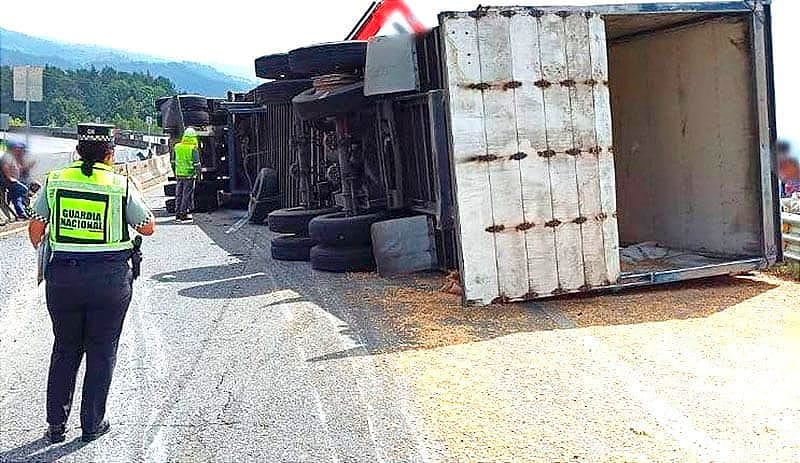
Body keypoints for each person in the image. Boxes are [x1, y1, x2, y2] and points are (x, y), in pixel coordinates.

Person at [27, 123, 156, 444]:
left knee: (65, 348)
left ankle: (56, 426)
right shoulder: (119, 184)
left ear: (77, 151)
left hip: (63, 278)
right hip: (109, 280)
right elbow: (147, 227)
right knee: (101, 350)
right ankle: (91, 425)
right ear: (110, 154)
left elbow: (35, 228)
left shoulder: (55, 181)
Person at [173, 127, 201, 222]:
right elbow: (197, 164)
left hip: (179, 174)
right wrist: (199, 175)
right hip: (189, 175)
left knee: (179, 194)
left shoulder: (177, 147)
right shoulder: (193, 148)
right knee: (186, 195)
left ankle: (177, 213)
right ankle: (183, 214)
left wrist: (175, 172)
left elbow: (173, 161)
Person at [1, 140, 31, 219]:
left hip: (13, 181)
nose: (21, 151)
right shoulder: (7, 157)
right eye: (18, 148)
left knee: (20, 194)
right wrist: (11, 179)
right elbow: (6, 168)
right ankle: (20, 212)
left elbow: (19, 169)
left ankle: (23, 212)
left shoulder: (14, 157)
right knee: (21, 191)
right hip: (6, 182)